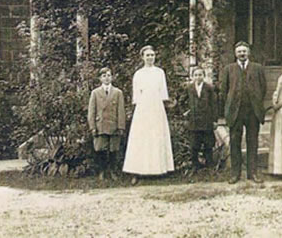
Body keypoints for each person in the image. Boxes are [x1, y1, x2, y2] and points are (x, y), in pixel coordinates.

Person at [123, 45, 174, 184]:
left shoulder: (160, 72)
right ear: (142, 57)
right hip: (143, 108)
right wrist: (141, 109)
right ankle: (138, 170)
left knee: (156, 136)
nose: (150, 57)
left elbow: (163, 93)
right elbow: (136, 96)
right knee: (142, 138)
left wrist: (161, 104)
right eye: (147, 55)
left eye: (152, 55)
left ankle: (159, 170)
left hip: (157, 107)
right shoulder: (138, 74)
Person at [220, 40, 267, 184]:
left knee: (252, 142)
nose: (242, 54)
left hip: (253, 111)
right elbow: (224, 91)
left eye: (244, 51)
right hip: (235, 112)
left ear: (249, 53)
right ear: (235, 54)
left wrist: (256, 101)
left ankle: (252, 173)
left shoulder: (257, 68)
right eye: (239, 51)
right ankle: (235, 174)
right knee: (235, 142)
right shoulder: (229, 69)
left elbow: (263, 88)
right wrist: (230, 106)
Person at [87, 67, 126, 181]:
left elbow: (121, 111)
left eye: (109, 75)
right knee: (100, 150)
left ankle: (113, 171)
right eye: (104, 76)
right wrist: (92, 127)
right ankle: (102, 171)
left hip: (113, 125)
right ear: (100, 78)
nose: (107, 78)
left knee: (114, 150)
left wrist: (121, 126)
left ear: (112, 77)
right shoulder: (95, 93)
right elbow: (91, 111)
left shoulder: (118, 92)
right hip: (100, 126)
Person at [184, 66, 218, 173]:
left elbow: (214, 104)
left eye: (200, 75)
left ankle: (209, 165)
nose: (198, 77)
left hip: (206, 120)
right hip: (194, 120)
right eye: (196, 75)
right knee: (194, 144)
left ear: (204, 76)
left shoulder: (209, 88)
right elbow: (182, 101)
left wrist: (214, 120)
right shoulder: (189, 88)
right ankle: (195, 165)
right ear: (192, 76)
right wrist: (185, 112)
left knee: (208, 143)